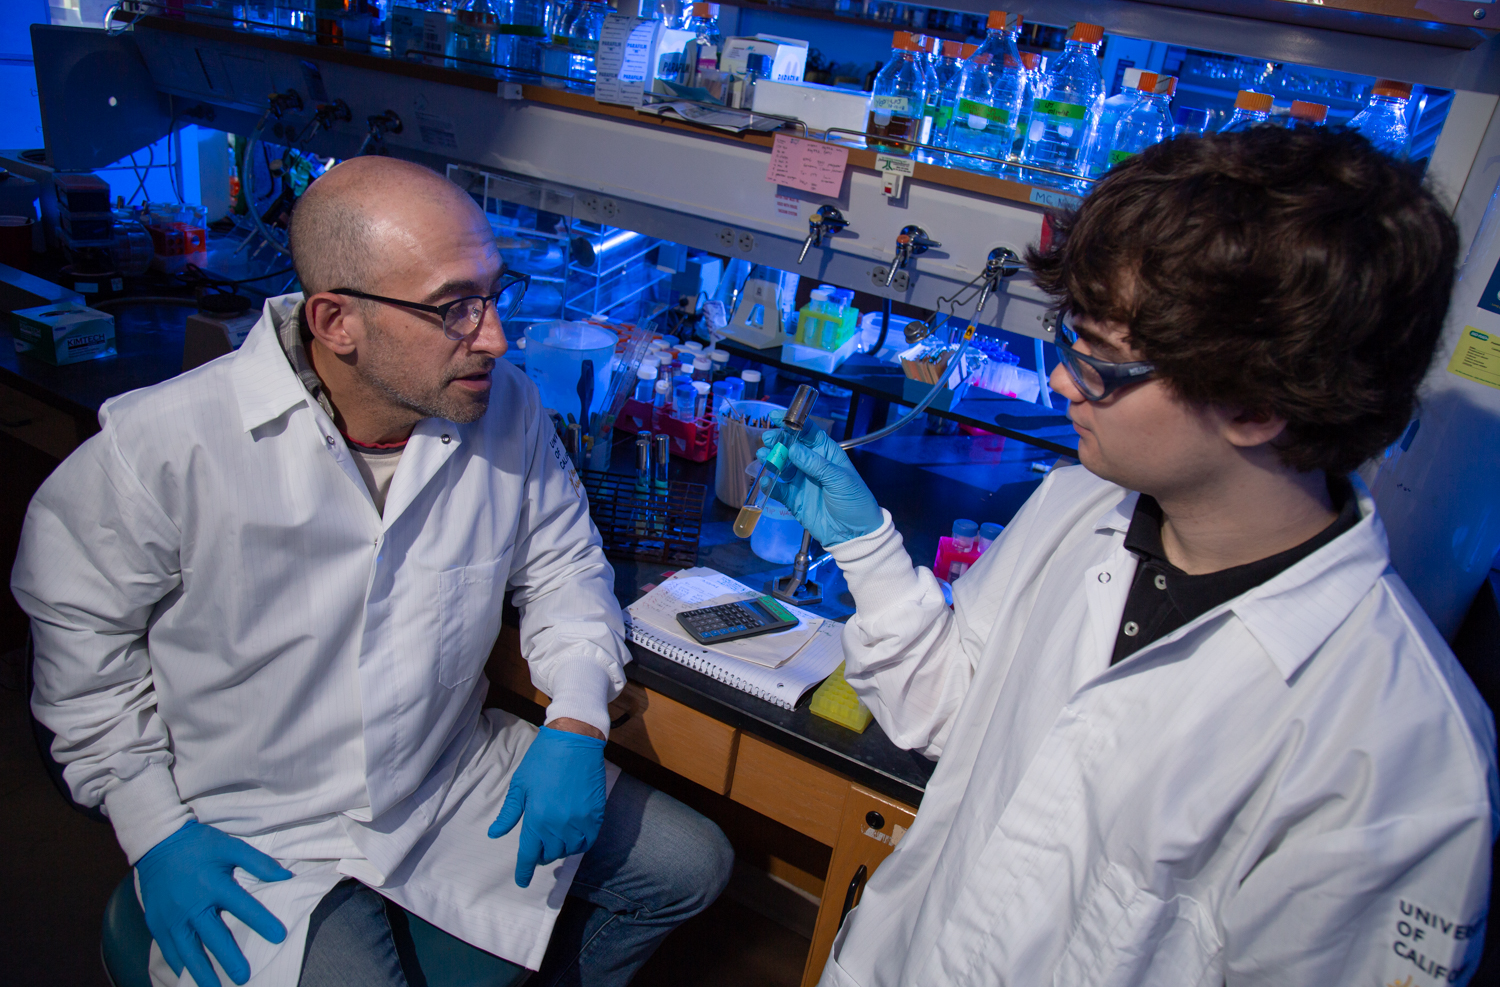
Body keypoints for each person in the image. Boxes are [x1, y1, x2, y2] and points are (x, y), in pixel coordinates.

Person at [761, 127, 1496, 985]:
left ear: (1257, 404)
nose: (1064, 383)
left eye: (1102, 365)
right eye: (1068, 339)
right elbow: (941, 712)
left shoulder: (1400, 754)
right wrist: (866, 546)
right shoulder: (1077, 506)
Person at [13, 157, 731, 987]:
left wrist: (575, 720)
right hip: (256, 823)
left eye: (494, 296)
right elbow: (80, 662)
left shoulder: (506, 407)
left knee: (691, 865)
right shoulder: (162, 450)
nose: (494, 336)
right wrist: (154, 828)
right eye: (454, 308)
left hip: (445, 776)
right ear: (336, 321)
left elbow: (564, 567)